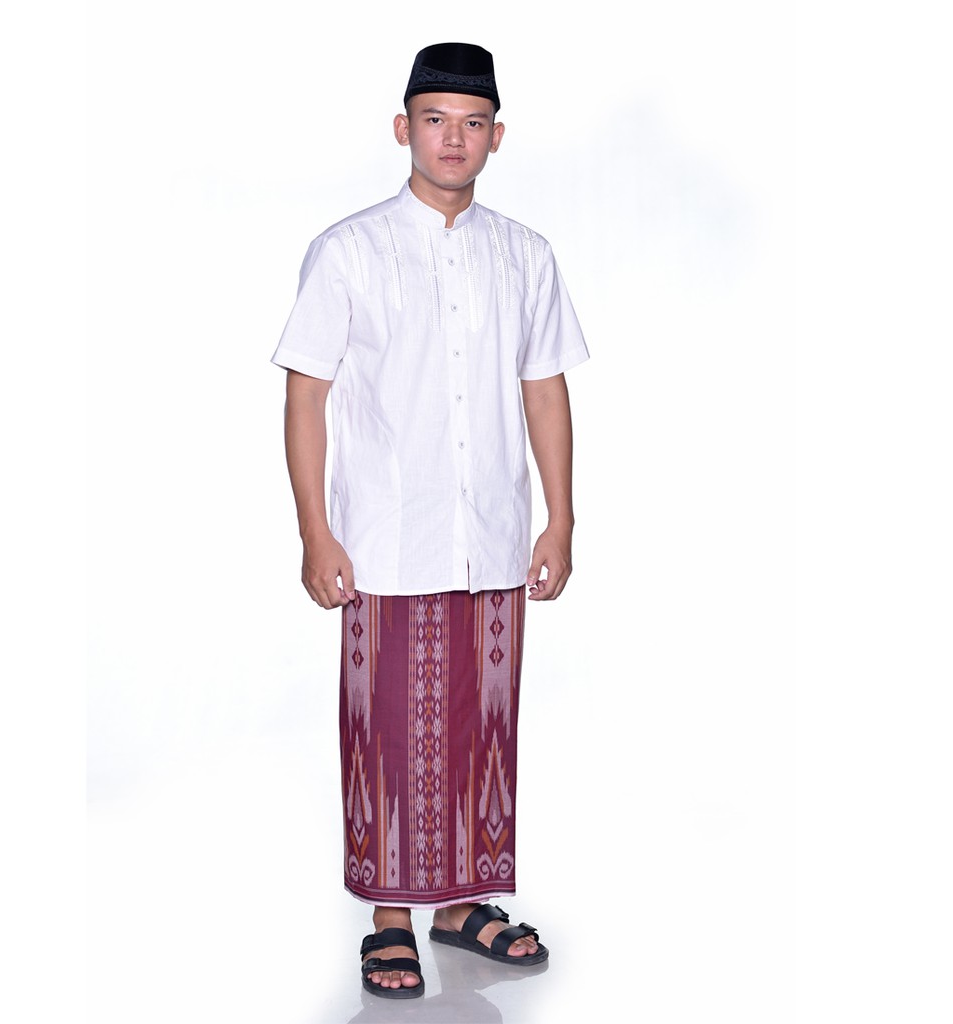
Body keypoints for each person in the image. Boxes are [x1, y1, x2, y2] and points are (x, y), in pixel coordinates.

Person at [272, 42, 589, 1000]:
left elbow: (545, 388)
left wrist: (560, 520)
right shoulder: (349, 251)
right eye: (436, 120)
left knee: (481, 726)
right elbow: (306, 394)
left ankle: (459, 907)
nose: (454, 138)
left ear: (498, 136)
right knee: (387, 732)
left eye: (472, 122)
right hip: (385, 539)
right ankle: (388, 920)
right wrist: (315, 531)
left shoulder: (526, 255)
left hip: (490, 534)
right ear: (403, 128)